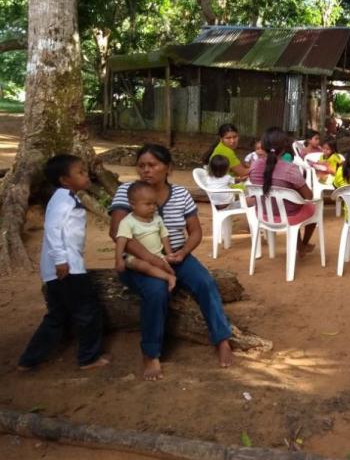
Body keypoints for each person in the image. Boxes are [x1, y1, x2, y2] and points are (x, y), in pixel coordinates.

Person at [110, 144, 233, 380]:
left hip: (175, 254)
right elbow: (116, 231)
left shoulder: (181, 194)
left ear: (168, 168)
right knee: (156, 292)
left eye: (152, 165)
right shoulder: (129, 191)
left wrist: (183, 252)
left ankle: (222, 340)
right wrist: (153, 259)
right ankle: (151, 353)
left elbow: (195, 231)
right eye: (142, 165)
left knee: (205, 283)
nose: (146, 170)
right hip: (137, 259)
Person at [18, 155, 110, 372]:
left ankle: (29, 359)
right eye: (80, 172)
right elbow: (52, 230)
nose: (86, 175)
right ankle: (88, 358)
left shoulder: (65, 198)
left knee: (57, 315)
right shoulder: (62, 200)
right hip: (68, 268)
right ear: (64, 180)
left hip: (58, 268)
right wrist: (61, 261)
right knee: (88, 312)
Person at [249, 127, 317, 252]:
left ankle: (300, 245)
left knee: (288, 204)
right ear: (285, 147)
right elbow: (308, 196)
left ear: (263, 146)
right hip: (288, 215)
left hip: (263, 214)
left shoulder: (254, 166)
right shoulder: (290, 168)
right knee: (312, 208)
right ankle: (303, 245)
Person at [115, 181, 176, 290]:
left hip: (158, 256)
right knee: (143, 266)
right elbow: (121, 240)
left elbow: (164, 236)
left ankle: (172, 276)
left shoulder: (157, 219)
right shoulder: (127, 222)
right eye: (148, 204)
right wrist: (119, 259)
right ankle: (168, 277)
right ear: (133, 204)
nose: (152, 207)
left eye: (154, 203)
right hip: (135, 258)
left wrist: (169, 253)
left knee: (166, 264)